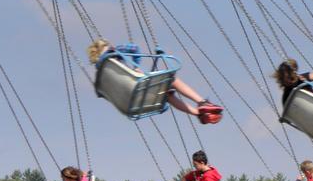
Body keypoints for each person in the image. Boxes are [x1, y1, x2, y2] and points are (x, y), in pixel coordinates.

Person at [87, 39, 223, 124]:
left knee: (167, 95)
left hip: (129, 105)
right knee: (172, 79)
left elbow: (102, 94)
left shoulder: (101, 76)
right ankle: (202, 103)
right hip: (137, 87)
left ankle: (198, 113)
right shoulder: (111, 52)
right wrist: (135, 67)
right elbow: (133, 48)